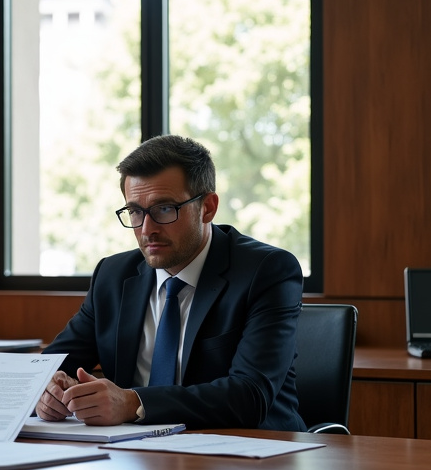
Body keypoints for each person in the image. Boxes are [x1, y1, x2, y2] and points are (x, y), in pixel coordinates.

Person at [36, 135, 306, 431]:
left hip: (252, 450)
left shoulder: (266, 271)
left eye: (164, 209)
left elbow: (249, 396)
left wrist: (133, 403)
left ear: (207, 207)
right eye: (135, 211)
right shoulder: (113, 275)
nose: (146, 230)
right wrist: (47, 389)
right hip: (132, 450)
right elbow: (49, 368)